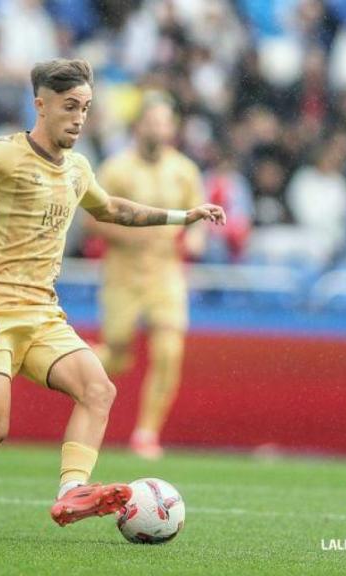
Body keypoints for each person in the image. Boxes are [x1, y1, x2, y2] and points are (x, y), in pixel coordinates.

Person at [0, 59, 224, 526]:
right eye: (69, 107)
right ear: (41, 104)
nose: (78, 118)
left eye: (86, 108)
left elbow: (111, 207)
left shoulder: (77, 168)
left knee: (99, 390)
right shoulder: (5, 154)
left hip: (42, 312)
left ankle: (72, 491)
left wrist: (183, 216)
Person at [87, 95, 206, 460]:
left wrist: (196, 239)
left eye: (165, 122)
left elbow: (197, 218)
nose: (159, 129)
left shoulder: (184, 170)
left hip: (166, 272)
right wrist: (138, 235)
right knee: (118, 354)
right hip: (123, 272)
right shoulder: (116, 169)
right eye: (152, 122)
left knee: (169, 350)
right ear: (138, 126)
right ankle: (66, 365)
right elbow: (93, 220)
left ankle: (146, 433)